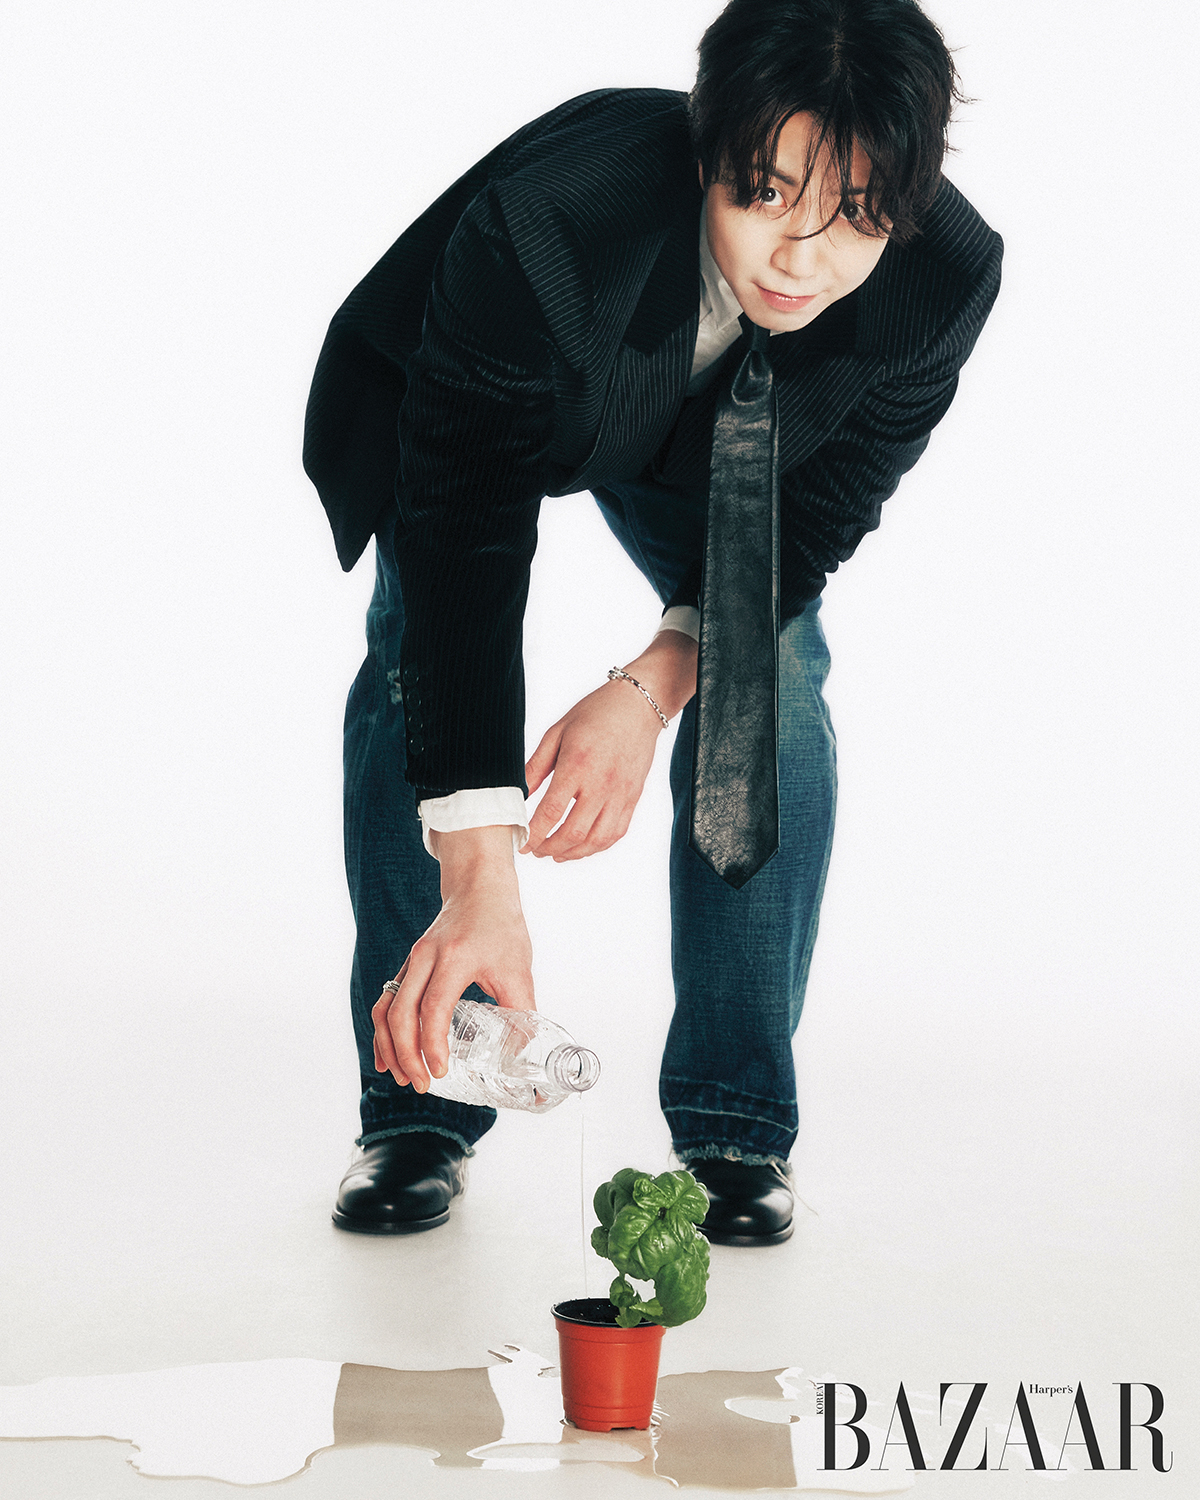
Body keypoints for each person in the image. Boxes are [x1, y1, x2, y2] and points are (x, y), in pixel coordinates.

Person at [303, 0, 1002, 1245]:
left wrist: (651, 684)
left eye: (856, 216)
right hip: (487, 393)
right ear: (707, 150)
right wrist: (483, 872)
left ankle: (736, 1122)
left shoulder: (945, 277)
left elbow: (816, 517)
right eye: (766, 196)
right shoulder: (548, 229)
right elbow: (468, 543)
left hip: (720, 435)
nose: (801, 257)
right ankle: (417, 1105)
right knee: (419, 658)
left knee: (769, 666)